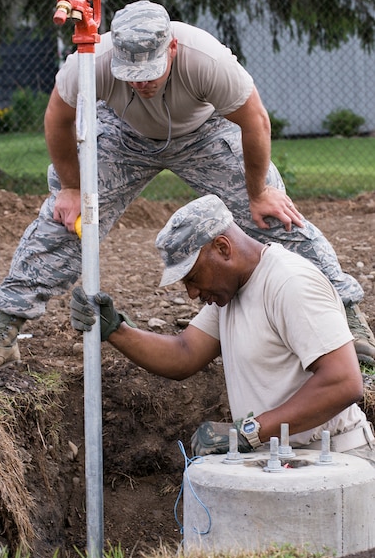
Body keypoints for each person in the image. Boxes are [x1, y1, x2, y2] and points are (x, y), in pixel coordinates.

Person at [0, 0, 374, 367]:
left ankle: (346, 317)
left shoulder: (207, 59)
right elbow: (57, 118)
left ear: (171, 48)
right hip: (122, 134)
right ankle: (6, 327)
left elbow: (255, 121)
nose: (142, 84)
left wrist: (258, 192)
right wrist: (70, 188)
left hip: (202, 132)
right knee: (66, 219)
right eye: (131, 76)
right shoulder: (91, 60)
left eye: (150, 74)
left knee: (273, 217)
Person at [70, 194, 375, 461]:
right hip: (284, 461)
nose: (191, 293)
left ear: (223, 247)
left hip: (335, 458)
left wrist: (248, 433)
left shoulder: (289, 283)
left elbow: (343, 382)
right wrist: (116, 330)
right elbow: (184, 353)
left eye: (192, 277)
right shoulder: (229, 295)